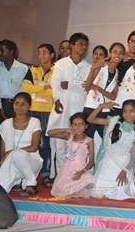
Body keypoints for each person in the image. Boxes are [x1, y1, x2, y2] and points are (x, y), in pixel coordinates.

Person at [47, 33, 91, 179]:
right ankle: (59, 178)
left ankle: (72, 177)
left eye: (85, 44)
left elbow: (86, 88)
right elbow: (55, 83)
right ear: (72, 45)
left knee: (75, 144)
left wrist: (69, 85)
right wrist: (57, 99)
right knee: (59, 145)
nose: (83, 47)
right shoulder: (61, 64)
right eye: (80, 44)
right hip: (62, 106)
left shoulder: (88, 67)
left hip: (78, 107)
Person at [88, 100, 135, 200]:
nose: (128, 114)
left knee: (119, 192)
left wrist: (125, 171)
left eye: (132, 111)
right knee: (99, 191)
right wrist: (101, 106)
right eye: (125, 111)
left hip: (123, 165)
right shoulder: (114, 121)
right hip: (107, 163)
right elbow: (90, 119)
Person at [0, 39, 28, 176]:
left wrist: (19, 108)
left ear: (12, 52)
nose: (0, 54)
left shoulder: (23, 69)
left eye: (3, 50)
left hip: (18, 107)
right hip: (0, 107)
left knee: (15, 140)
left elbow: (25, 89)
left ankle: (13, 172)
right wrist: (0, 110)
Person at [22, 43, 55, 186]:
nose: (41, 55)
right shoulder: (32, 69)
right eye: (40, 52)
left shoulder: (56, 70)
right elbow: (26, 87)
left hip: (48, 111)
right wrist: (44, 87)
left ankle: (46, 173)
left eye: (45, 52)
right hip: (32, 110)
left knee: (45, 143)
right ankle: (28, 175)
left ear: (52, 55)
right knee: (30, 142)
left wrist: (37, 89)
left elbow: (54, 90)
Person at [0, 92, 42, 195]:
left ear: (29, 106)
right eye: (17, 103)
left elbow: (34, 147)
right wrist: (3, 163)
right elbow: (3, 151)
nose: (19, 107)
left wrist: (11, 152)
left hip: (31, 161)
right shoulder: (6, 124)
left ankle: (31, 183)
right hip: (12, 162)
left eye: (23, 104)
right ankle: (16, 184)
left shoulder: (35, 122)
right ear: (13, 105)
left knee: (17, 154)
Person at [48, 112, 95, 198]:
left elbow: (91, 162)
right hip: (67, 170)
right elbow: (49, 133)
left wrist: (81, 173)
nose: (78, 127)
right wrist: (65, 129)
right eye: (75, 124)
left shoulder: (89, 141)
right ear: (71, 126)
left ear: (86, 126)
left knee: (89, 182)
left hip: (81, 170)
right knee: (61, 190)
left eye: (81, 124)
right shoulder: (69, 136)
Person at [83, 43, 124, 139]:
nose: (117, 55)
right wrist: (93, 69)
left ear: (123, 56)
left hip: (105, 110)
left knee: (102, 140)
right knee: (87, 139)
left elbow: (113, 96)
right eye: (115, 52)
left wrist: (98, 89)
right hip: (91, 106)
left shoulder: (118, 72)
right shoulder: (101, 66)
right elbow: (87, 87)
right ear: (110, 53)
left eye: (120, 53)